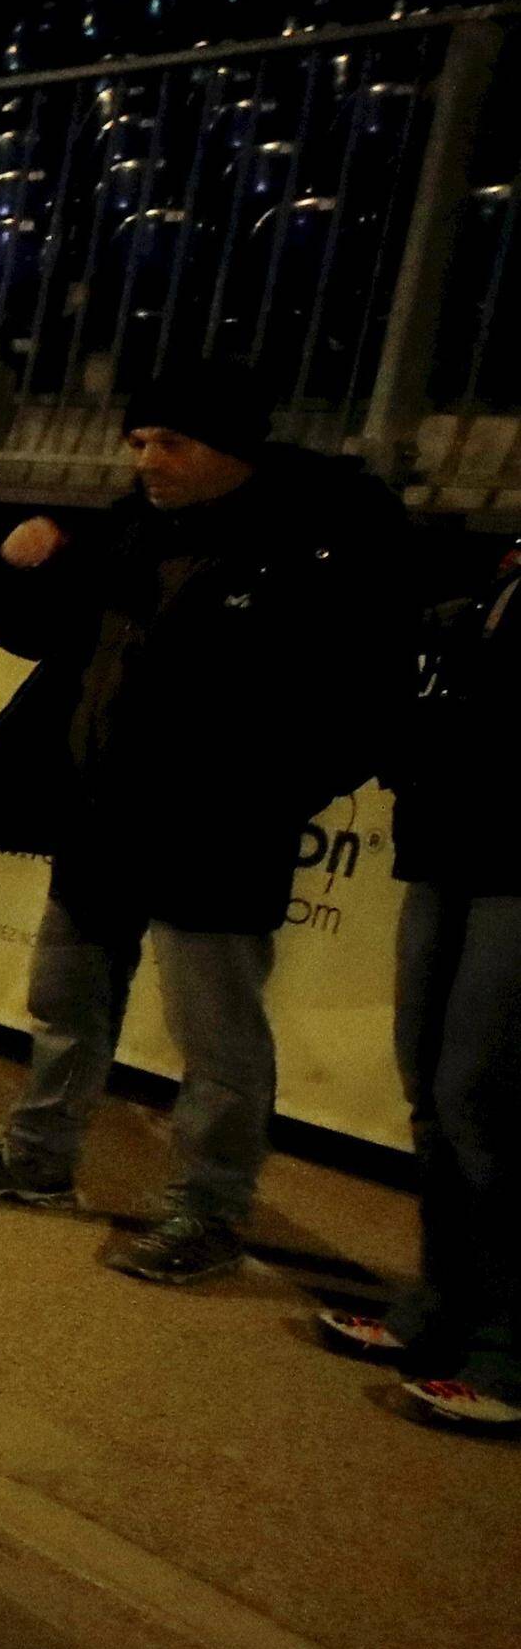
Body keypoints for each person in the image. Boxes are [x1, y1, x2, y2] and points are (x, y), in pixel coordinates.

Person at [0, 358, 408, 1281]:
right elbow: (40, 636)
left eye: (171, 441)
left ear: (232, 447)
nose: (146, 459)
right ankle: (37, 1161)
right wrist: (18, 567)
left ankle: (208, 1212)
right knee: (67, 1003)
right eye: (138, 440)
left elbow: (366, 699)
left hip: (218, 838)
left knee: (216, 1039)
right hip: (102, 817)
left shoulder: (319, 546)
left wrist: (263, 794)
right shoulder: (132, 531)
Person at [330, 534, 521, 1433]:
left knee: (484, 1098)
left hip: (511, 862)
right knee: (431, 1091)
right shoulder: (499, 576)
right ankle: (439, 1305)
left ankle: (507, 1351)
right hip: (447, 840)